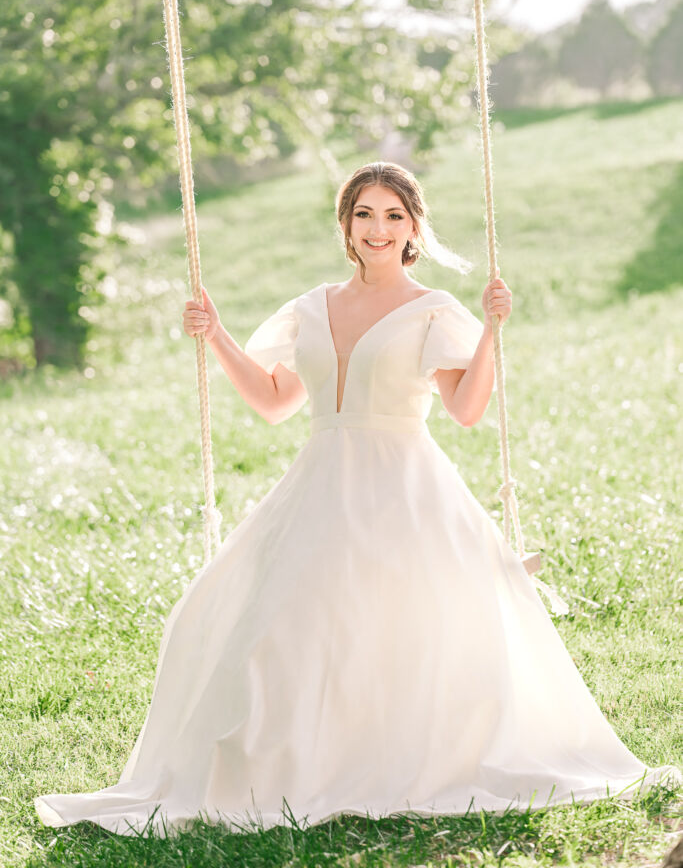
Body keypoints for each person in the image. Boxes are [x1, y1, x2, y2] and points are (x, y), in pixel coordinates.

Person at [35, 161, 680, 837]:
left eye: (392, 216)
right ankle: (287, 765)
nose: (377, 228)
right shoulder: (311, 307)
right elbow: (275, 403)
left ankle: (401, 757)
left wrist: (490, 332)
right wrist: (218, 334)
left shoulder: (432, 310)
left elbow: (463, 409)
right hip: (319, 482)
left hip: (405, 486)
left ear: (413, 228)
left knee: (404, 624)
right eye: (364, 214)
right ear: (344, 225)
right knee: (274, 625)